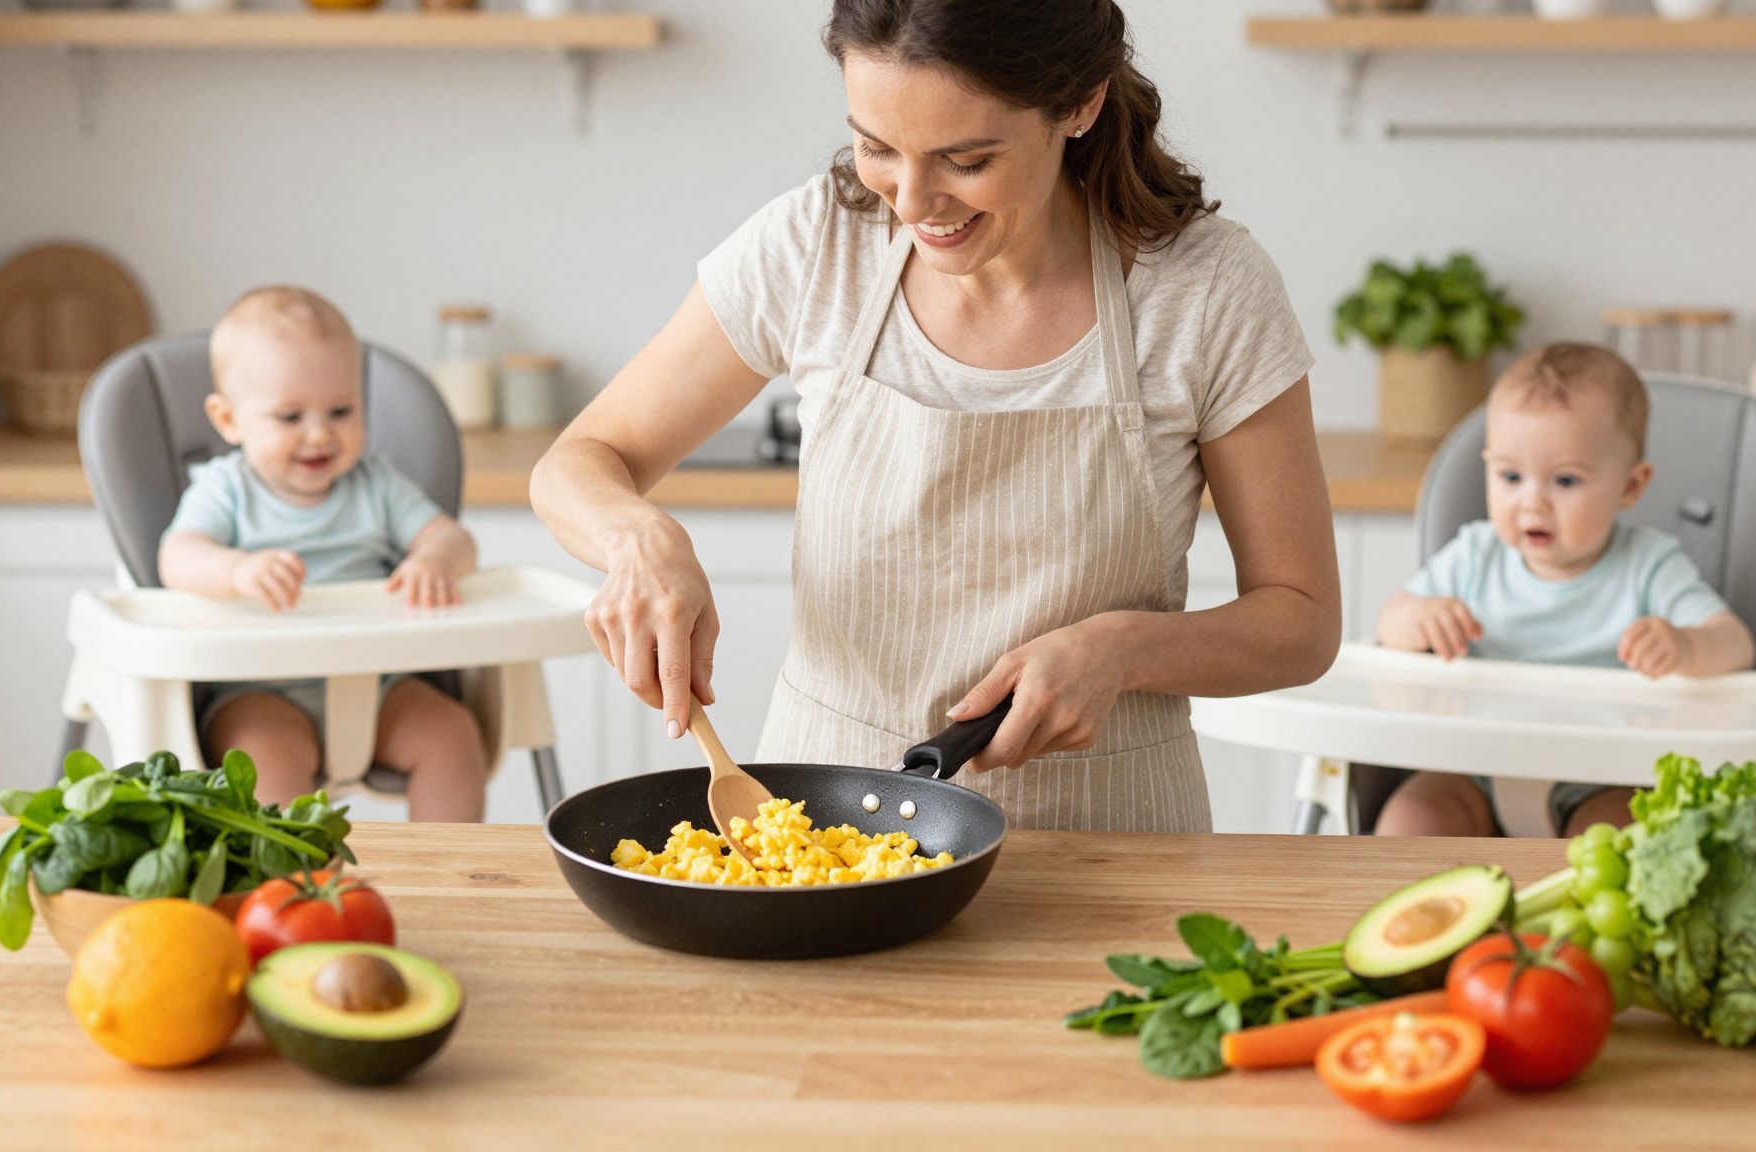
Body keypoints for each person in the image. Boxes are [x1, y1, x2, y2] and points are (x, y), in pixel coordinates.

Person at [531, 0, 1341, 832]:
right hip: (823, 830)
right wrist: (638, 539)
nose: (913, 203)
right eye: (877, 147)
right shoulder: (817, 246)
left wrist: (1123, 650)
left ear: (1080, 104)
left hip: (1110, 838)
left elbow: (1301, 619)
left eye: (966, 159)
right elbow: (581, 460)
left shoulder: (1207, 290)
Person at [1374, 342, 1756, 837]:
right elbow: (1389, 623)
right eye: (1510, 476)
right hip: (1474, 768)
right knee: (1411, 818)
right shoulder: (1475, 555)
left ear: (1631, 486)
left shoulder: (1648, 566)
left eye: (1566, 481)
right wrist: (1417, 620)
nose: (1532, 502)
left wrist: (1684, 646)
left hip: (1603, 775)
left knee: (1623, 837)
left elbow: (1736, 643)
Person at [157, 286, 489, 821]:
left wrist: (433, 560)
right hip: (261, 690)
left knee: (452, 736)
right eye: (289, 417)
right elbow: (177, 557)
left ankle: (450, 876)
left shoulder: (376, 485)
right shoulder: (226, 490)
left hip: (380, 684)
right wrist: (236, 570)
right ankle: (301, 893)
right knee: (261, 762)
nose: (319, 434)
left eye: (341, 410)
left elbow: (455, 539)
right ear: (228, 420)